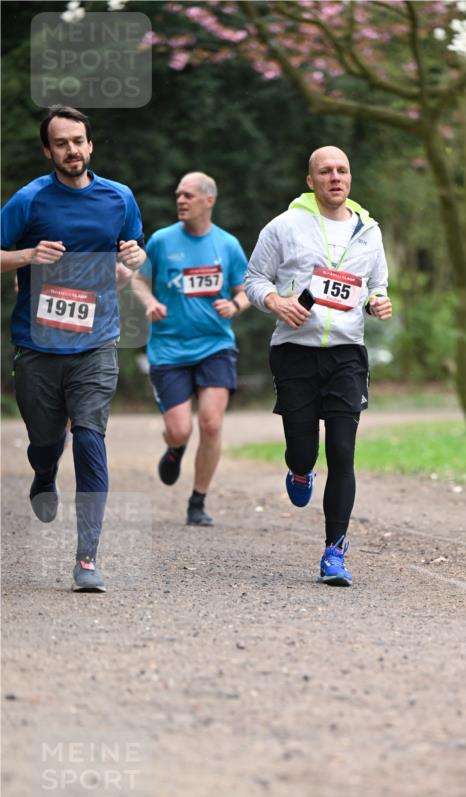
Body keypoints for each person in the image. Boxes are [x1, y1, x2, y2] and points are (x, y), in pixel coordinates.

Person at [0, 105, 145, 592]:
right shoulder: (29, 200)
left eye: (79, 140)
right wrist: (27, 255)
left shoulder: (119, 198)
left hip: (96, 341)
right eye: (61, 143)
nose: (72, 150)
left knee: (89, 436)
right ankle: (43, 472)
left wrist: (135, 255)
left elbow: (134, 248)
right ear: (48, 151)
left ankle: (87, 557)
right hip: (38, 346)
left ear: (90, 144)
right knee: (46, 439)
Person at [245, 145, 392, 586]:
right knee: (304, 448)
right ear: (310, 180)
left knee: (343, 451)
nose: (335, 177)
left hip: (347, 353)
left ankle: (335, 551)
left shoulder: (369, 232)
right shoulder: (284, 226)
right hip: (294, 351)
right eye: (325, 171)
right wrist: (276, 302)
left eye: (343, 170)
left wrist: (377, 302)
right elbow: (254, 279)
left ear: (350, 178)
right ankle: (299, 468)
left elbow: (376, 286)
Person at [130, 172, 249, 526]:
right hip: (168, 348)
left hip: (215, 345)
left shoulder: (227, 245)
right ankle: (176, 447)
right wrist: (149, 301)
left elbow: (246, 290)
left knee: (211, 425)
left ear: (208, 200)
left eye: (188, 195)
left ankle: (197, 501)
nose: (180, 200)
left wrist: (235, 305)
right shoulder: (162, 241)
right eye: (178, 195)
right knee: (180, 429)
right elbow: (138, 280)